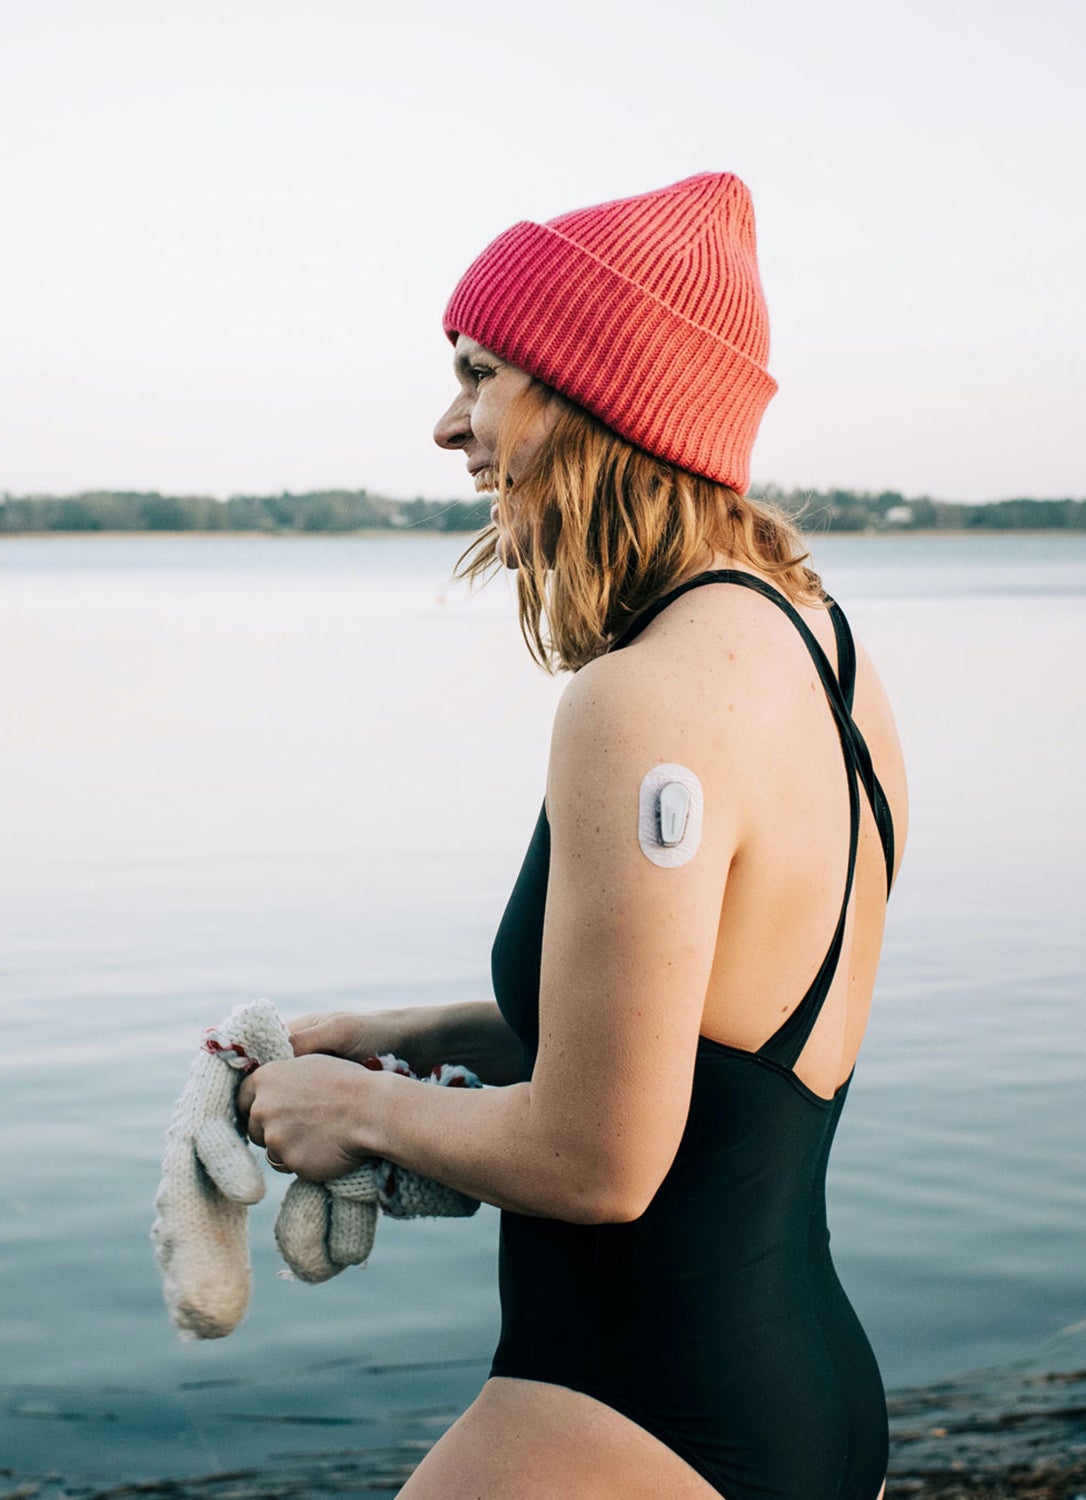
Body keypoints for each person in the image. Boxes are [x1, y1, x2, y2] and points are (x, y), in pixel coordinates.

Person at [237, 171, 908, 1499]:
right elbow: (706, 1034)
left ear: (596, 394)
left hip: (632, 1413)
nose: (449, 422)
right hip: (809, 1398)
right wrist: (406, 1037)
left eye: (481, 372)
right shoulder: (822, 653)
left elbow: (598, 1157)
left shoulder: (640, 699)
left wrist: (348, 1109)